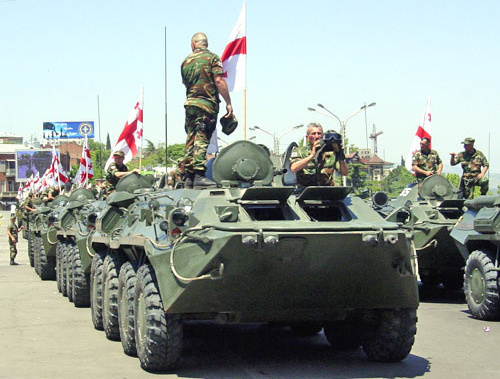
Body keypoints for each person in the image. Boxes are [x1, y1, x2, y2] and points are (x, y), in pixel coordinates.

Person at [181, 32, 232, 188]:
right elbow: (218, 80)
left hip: (190, 104)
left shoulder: (185, 62)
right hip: (206, 104)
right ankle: (198, 175)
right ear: (206, 44)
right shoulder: (213, 58)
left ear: (193, 44)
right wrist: (228, 102)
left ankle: (188, 176)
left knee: (191, 139)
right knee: (202, 138)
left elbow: (185, 83)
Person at [290, 123, 348, 188]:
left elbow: (345, 173)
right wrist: (312, 155)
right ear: (308, 137)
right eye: (313, 134)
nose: (317, 136)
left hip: (326, 191)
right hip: (306, 191)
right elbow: (294, 168)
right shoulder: (300, 151)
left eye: (319, 133)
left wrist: (341, 156)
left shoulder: (330, 153)